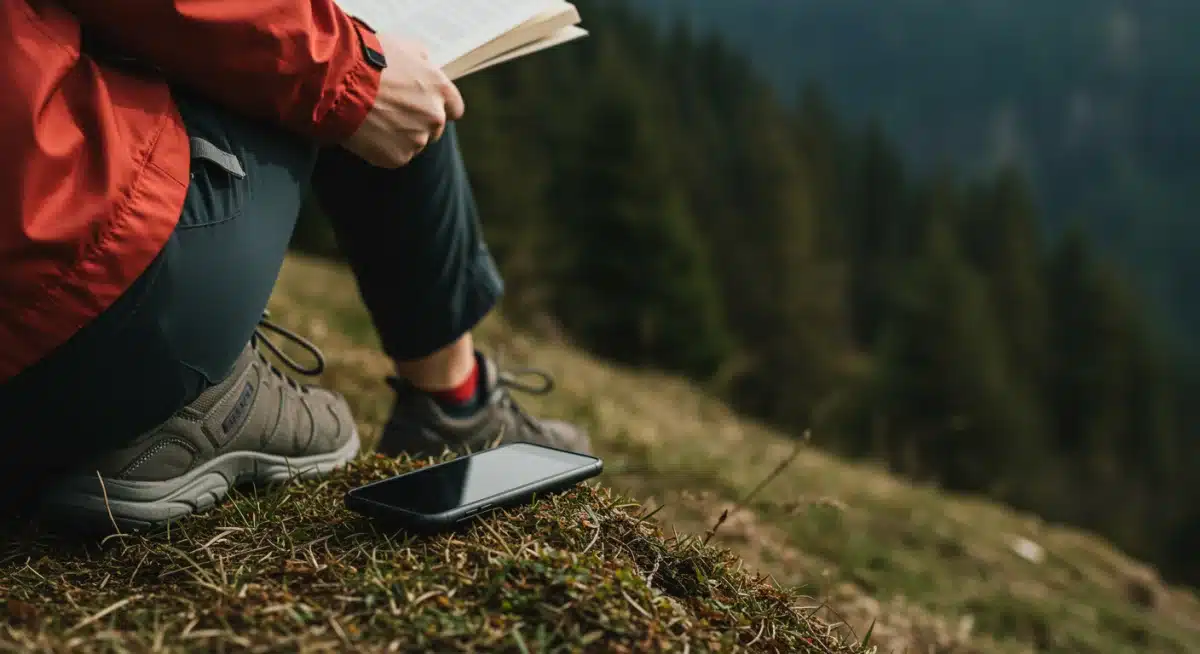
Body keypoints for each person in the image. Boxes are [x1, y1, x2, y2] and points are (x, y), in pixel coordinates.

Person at [0, 0, 589, 531]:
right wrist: (352, 73)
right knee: (359, 37)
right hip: (73, 315)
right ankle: (450, 405)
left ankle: (454, 403)